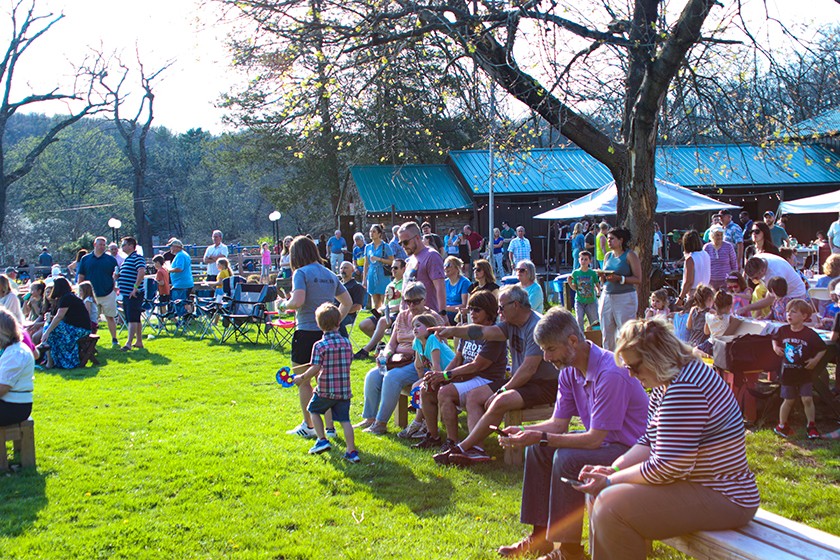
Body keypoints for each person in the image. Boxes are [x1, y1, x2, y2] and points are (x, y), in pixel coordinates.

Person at [578, 319, 760, 560]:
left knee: (611, 507)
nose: (631, 375)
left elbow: (667, 467)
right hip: (701, 487)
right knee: (601, 496)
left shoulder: (685, 387)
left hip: (726, 496)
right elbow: (648, 442)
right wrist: (612, 469)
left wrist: (610, 480)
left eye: (634, 366)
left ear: (655, 357)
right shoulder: (668, 381)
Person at [495, 307, 649, 560]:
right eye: (543, 349)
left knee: (567, 459)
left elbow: (594, 439)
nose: (545, 357)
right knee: (538, 448)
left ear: (573, 341)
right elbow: (558, 424)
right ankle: (540, 538)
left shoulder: (610, 372)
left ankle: (569, 550)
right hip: (606, 443)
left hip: (631, 452)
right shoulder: (568, 369)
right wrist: (524, 431)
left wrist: (540, 436)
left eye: (550, 349)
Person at [431, 285, 560, 466]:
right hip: (525, 381)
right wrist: (452, 331)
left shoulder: (536, 326)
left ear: (515, 305)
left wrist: (502, 390)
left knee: (500, 400)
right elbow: (482, 332)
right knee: (474, 395)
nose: (498, 312)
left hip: (544, 385)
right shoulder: (510, 324)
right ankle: (477, 450)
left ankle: (464, 447)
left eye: (501, 307)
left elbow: (529, 369)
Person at [280, 236, 352, 439]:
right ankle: (329, 429)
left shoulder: (300, 273)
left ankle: (308, 424)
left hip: (305, 332)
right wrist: (334, 321)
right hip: (327, 334)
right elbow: (347, 302)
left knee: (304, 381)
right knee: (325, 383)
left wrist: (284, 304)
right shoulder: (330, 274)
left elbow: (298, 300)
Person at [416, 291, 507, 451]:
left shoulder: (494, 334)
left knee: (445, 392)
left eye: (477, 309)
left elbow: (477, 366)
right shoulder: (469, 331)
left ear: (489, 312)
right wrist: (440, 377)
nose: (472, 313)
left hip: (486, 379)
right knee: (427, 388)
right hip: (465, 377)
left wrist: (446, 375)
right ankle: (433, 436)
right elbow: (458, 358)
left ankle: (452, 441)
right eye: (470, 308)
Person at [355, 282, 444, 435]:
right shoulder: (402, 316)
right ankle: (369, 418)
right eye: (407, 301)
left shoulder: (432, 318)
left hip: (421, 363)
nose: (411, 305)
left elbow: (437, 347)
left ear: (424, 300)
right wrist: (386, 355)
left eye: (416, 301)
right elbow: (392, 343)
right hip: (398, 359)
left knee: (392, 378)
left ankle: (380, 423)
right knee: (372, 375)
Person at [293, 303, 360, 462]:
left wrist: (301, 378)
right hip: (344, 390)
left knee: (313, 410)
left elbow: (315, 367)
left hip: (324, 389)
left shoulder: (319, 345)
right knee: (345, 421)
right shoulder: (346, 343)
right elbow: (349, 361)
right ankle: (351, 451)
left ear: (318, 325)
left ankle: (322, 440)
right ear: (339, 322)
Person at [772, 299, 826, 440]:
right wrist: (776, 347)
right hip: (788, 373)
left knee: (807, 399)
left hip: (804, 373)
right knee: (788, 400)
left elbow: (822, 349)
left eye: (794, 312)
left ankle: (811, 425)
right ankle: (782, 425)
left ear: (804, 316)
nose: (789, 314)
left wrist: (815, 360)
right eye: (788, 311)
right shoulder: (783, 330)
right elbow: (774, 339)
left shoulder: (809, 334)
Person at [596, 227, 641, 351]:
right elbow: (604, 280)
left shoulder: (630, 255)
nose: (608, 241)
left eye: (612, 239)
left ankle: (628, 361)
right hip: (607, 295)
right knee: (607, 332)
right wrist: (602, 276)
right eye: (607, 239)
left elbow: (638, 279)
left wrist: (620, 278)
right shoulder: (607, 256)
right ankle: (609, 361)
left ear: (621, 240)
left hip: (625, 297)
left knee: (625, 333)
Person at [354, 258, 405, 360]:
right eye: (392, 268)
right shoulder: (390, 285)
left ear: (404, 269)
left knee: (382, 321)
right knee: (363, 325)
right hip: (387, 313)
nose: (393, 270)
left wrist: (391, 308)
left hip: (399, 314)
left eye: (396, 268)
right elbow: (385, 304)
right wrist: (381, 309)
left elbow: (407, 305)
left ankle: (366, 350)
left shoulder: (406, 284)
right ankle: (381, 344)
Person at [77, 236, 120, 347]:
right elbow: (81, 275)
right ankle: (90, 340)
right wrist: (80, 291)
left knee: (110, 316)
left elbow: (116, 275)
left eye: (103, 245)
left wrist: (114, 285)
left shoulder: (110, 259)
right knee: (91, 318)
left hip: (107, 292)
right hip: (90, 295)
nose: (102, 247)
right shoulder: (86, 259)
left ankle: (114, 339)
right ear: (94, 245)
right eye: (100, 244)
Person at [40, 277, 91, 369]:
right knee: (50, 327)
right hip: (75, 326)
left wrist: (46, 332)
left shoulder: (67, 298)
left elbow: (59, 316)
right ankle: (50, 360)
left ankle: (51, 361)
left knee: (50, 330)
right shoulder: (67, 297)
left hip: (80, 329)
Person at [398, 221, 446, 315]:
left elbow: (440, 287)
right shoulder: (409, 260)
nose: (403, 246)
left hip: (427, 317)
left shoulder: (432, 256)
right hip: (408, 317)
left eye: (405, 242)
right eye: (400, 243)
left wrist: (442, 314)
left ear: (417, 238)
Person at [0, 309, 35, 425]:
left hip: (13, 407)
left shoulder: (16, 353)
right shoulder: (10, 350)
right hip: (9, 404)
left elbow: (3, 387)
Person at [116, 237, 146, 351]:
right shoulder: (127, 259)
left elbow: (141, 271)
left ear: (130, 245)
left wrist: (135, 288)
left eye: (124, 245)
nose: (122, 247)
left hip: (134, 293)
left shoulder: (137, 258)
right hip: (126, 293)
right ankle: (139, 341)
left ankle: (128, 343)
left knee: (132, 318)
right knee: (135, 318)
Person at [675, 230, 711, 307]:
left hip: (694, 294)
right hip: (706, 291)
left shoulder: (690, 259)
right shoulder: (706, 254)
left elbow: (689, 282)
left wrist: (680, 298)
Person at [363, 224, 394, 312]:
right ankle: (376, 319)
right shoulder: (368, 247)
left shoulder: (385, 246)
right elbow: (366, 263)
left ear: (379, 234)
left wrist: (379, 259)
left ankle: (385, 318)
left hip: (382, 274)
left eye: (374, 232)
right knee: (375, 300)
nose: (371, 234)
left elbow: (392, 261)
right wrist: (364, 278)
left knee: (384, 299)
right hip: (372, 274)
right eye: (370, 231)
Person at [568, 250, 600, 331]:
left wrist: (598, 291)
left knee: (594, 321)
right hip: (579, 300)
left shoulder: (592, 273)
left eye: (586, 259)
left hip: (591, 301)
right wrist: (570, 283)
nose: (583, 261)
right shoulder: (575, 273)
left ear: (590, 261)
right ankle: (581, 337)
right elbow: (575, 288)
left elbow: (597, 284)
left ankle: (595, 336)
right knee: (579, 320)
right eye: (582, 259)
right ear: (579, 260)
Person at [703, 224, 737, 290]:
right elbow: (704, 266)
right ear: (712, 235)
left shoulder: (728, 246)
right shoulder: (707, 247)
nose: (719, 237)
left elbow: (734, 263)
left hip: (726, 282)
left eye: (721, 235)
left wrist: (734, 279)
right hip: (711, 282)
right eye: (717, 235)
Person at [337, 261, 365, 338]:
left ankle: (344, 343)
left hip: (348, 316)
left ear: (352, 270)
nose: (343, 270)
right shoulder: (337, 285)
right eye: (341, 268)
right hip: (334, 313)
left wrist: (340, 313)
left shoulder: (356, 286)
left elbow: (357, 306)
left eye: (345, 268)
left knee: (334, 322)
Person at [167, 239, 194, 317]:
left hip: (181, 284)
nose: (170, 248)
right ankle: (188, 317)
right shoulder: (184, 254)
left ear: (176, 247)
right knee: (185, 302)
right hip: (184, 283)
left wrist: (169, 270)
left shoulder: (180, 255)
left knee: (179, 303)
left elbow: (179, 268)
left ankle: (184, 318)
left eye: (171, 246)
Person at [685, 284, 713, 350]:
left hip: (692, 341)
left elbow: (688, 326)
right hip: (703, 343)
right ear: (710, 299)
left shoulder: (693, 309)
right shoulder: (710, 312)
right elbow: (707, 332)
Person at [443, 256, 470, 324]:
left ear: (457, 268)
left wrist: (447, 308)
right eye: (444, 265)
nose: (445, 268)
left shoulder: (464, 282)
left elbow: (464, 305)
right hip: (445, 311)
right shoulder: (444, 282)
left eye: (448, 265)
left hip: (457, 314)